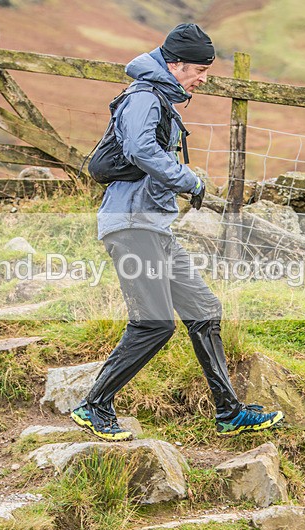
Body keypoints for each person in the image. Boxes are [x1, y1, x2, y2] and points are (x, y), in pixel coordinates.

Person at [71, 23, 284, 441]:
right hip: (131, 225)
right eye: (199, 70)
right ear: (175, 64)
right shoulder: (143, 97)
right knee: (154, 324)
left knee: (204, 310)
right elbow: (139, 149)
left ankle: (229, 413)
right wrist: (189, 180)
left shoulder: (160, 97)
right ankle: (93, 406)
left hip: (154, 226)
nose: (204, 79)